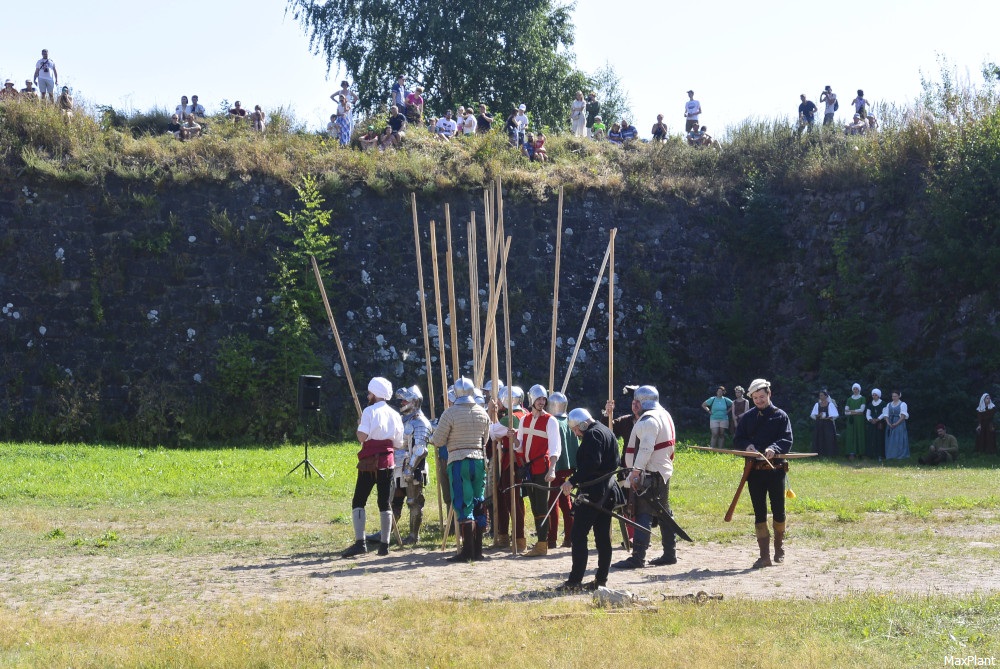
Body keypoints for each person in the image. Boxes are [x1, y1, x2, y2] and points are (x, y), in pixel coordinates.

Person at [555, 408, 624, 591]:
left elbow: (592, 464)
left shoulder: (593, 435)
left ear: (583, 424)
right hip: (607, 491)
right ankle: (601, 580)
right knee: (602, 538)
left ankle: (575, 581)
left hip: (594, 492)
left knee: (578, 535)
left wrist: (572, 481)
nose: (576, 434)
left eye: (577, 430)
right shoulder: (605, 430)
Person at [614, 385, 678, 569]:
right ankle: (669, 553)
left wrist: (635, 472)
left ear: (641, 401)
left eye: (636, 401)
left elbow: (646, 449)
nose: (634, 405)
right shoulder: (664, 414)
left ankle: (638, 557)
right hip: (661, 471)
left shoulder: (649, 419)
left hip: (650, 473)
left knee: (644, 514)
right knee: (663, 512)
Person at [431, 377, 491, 562]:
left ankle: (467, 552)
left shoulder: (450, 414)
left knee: (463, 504)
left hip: (458, 461)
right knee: (478, 503)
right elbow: (485, 439)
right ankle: (478, 551)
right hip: (479, 461)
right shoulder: (482, 412)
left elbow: (438, 440)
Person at [734, 378, 793, 568]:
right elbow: (738, 439)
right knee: (759, 512)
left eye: (762, 396)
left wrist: (774, 448)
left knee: (779, 510)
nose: (759, 400)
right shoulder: (748, 417)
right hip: (754, 472)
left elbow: (787, 439)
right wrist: (747, 446)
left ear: (769, 394)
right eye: (755, 398)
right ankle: (764, 556)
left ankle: (779, 548)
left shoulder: (781, 416)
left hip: (775, 471)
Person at [342, 377, 404, 558]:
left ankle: (360, 543)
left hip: (369, 463)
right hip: (388, 463)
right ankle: (384, 545)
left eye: (370, 393)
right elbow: (398, 443)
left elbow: (362, 437)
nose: (368, 395)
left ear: (375, 394)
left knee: (359, 500)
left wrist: (360, 425)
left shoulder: (369, 412)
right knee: (384, 502)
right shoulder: (395, 415)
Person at [498, 384, 561, 557]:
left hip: (543, 467)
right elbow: (519, 447)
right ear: (532, 400)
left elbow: (555, 447)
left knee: (542, 505)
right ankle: (540, 543)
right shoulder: (525, 420)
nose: (541, 402)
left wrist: (553, 469)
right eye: (538, 399)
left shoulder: (551, 420)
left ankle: (542, 543)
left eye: (543, 399)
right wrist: (513, 439)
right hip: (528, 468)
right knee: (534, 505)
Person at [391, 385, 433, 544]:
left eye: (404, 400)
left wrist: (410, 468)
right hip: (398, 466)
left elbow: (420, 449)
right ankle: (387, 533)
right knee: (393, 499)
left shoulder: (420, 422)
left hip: (413, 467)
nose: (401, 403)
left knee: (413, 501)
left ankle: (413, 536)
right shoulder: (404, 419)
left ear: (414, 401)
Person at [489, 385, 527, 551]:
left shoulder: (511, 418)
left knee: (509, 499)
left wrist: (492, 414)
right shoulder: (526, 413)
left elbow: (492, 433)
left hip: (511, 461)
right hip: (523, 462)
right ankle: (507, 535)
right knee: (515, 499)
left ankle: (517, 538)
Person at [546, 392, 579, 549]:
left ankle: (551, 539)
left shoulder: (552, 422)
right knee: (566, 502)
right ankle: (570, 537)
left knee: (552, 502)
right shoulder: (570, 421)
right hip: (568, 468)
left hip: (557, 467)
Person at [702, 386, 733, 450]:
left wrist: (728, 411)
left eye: (721, 392)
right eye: (718, 391)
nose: (719, 393)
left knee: (721, 434)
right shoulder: (712, 399)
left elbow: (733, 405)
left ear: (723, 392)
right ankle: (712, 449)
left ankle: (720, 449)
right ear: (716, 392)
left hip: (724, 419)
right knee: (715, 433)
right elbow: (704, 405)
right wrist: (709, 411)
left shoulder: (725, 399)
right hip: (714, 418)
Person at [810, 389, 839, 457]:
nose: (820, 397)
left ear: (826, 396)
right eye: (820, 395)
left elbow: (835, 415)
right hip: (819, 424)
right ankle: (819, 454)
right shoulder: (817, 404)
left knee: (828, 439)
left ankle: (829, 454)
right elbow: (813, 415)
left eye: (822, 395)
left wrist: (829, 417)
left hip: (828, 424)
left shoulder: (830, 404)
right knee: (819, 438)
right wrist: (818, 415)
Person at [881, 390, 910, 459]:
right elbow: (886, 415)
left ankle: (899, 455)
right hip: (890, 423)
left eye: (895, 396)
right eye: (893, 396)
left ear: (899, 396)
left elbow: (903, 416)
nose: (894, 397)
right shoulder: (889, 404)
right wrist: (888, 423)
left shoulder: (903, 404)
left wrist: (896, 424)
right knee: (890, 439)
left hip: (899, 423)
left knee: (898, 438)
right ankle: (891, 455)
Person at [843, 383, 866, 460]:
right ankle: (851, 453)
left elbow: (862, 410)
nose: (855, 390)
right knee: (850, 435)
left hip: (859, 420)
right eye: (854, 389)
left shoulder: (862, 398)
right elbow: (845, 412)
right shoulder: (849, 399)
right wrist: (856, 412)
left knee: (859, 434)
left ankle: (860, 453)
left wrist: (851, 411)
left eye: (857, 389)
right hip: (851, 420)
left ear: (859, 389)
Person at [865, 388, 887, 461]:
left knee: (880, 438)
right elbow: (868, 414)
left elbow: (884, 413)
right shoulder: (870, 404)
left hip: (880, 423)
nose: (874, 396)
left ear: (879, 396)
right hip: (872, 424)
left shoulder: (883, 403)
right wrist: (871, 420)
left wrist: (877, 419)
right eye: (873, 395)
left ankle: (880, 455)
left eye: (875, 395)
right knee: (871, 438)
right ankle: (872, 454)